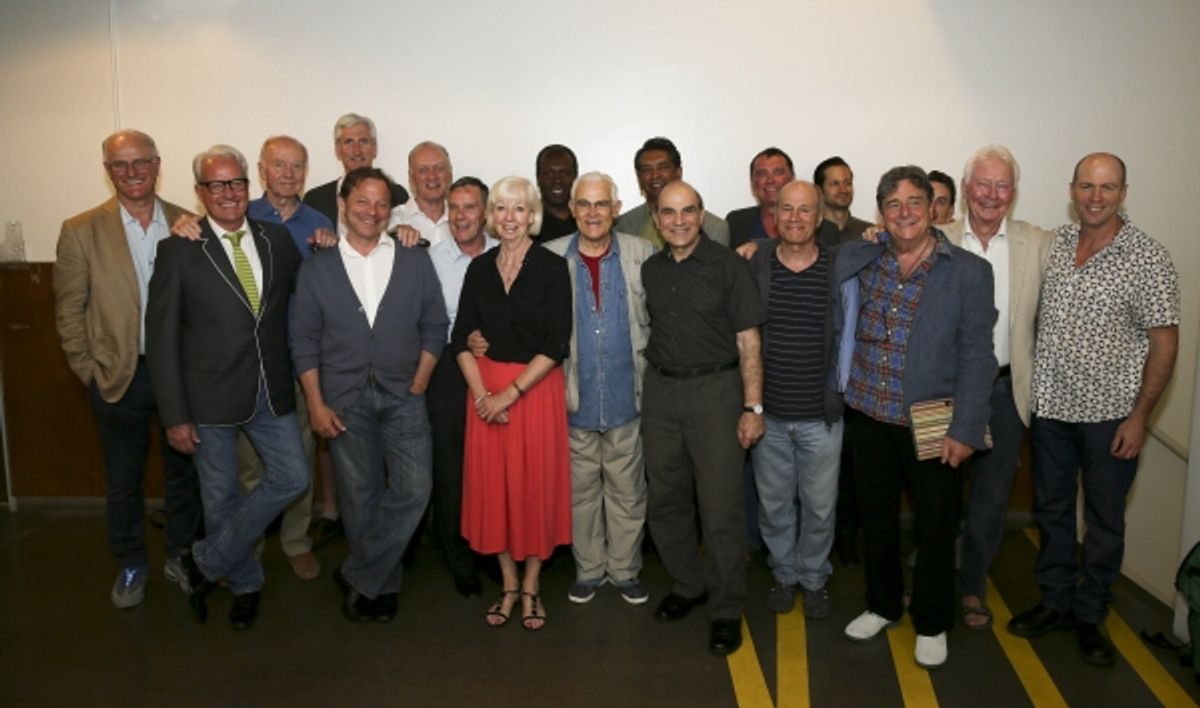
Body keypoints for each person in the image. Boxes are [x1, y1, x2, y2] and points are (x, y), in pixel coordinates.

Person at [1008, 153, 1179, 667]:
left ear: (1123, 191)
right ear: (1072, 189)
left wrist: (1140, 416)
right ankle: (1056, 602)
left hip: (1112, 416)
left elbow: (1164, 344)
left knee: (1104, 521)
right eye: (1087, 186)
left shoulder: (1148, 257)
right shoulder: (1054, 245)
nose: (1095, 197)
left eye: (1107, 187)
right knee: (1053, 511)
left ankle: (1090, 614)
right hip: (1052, 408)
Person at [837, 166, 996, 670]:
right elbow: (800, 257)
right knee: (877, 519)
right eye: (893, 204)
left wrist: (966, 428)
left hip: (934, 420)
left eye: (914, 202)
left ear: (933, 209)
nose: (904, 213)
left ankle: (931, 620)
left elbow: (978, 356)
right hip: (867, 413)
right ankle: (883, 604)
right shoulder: (860, 256)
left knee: (935, 525)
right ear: (880, 213)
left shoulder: (968, 271)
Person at [147, 144, 309, 630]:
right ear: (199, 192)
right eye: (216, 185)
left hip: (270, 388)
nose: (229, 193)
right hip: (209, 398)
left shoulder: (277, 240)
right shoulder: (179, 248)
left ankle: (203, 561)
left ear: (248, 185)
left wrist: (324, 243)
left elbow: (306, 295)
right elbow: (162, 339)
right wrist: (175, 415)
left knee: (293, 478)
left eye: (236, 182)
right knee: (219, 500)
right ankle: (244, 584)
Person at [291, 167, 447, 623]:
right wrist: (316, 404)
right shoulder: (317, 265)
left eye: (381, 203)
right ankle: (381, 583)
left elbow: (435, 326)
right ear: (343, 204)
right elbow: (303, 341)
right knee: (359, 497)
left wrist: (420, 381)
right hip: (344, 400)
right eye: (362, 201)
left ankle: (360, 573)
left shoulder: (413, 258)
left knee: (416, 489)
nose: (372, 211)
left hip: (405, 393)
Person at [53, 129, 201, 608]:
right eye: (121, 165)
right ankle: (131, 562)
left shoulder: (188, 221)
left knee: (186, 474)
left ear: (158, 165)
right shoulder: (81, 230)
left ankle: (180, 554)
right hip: (119, 376)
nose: (133, 172)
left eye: (141, 162)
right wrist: (88, 371)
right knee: (123, 479)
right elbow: (68, 310)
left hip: (179, 375)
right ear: (108, 170)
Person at [641, 180, 766, 657]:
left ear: (701, 214)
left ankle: (727, 608)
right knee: (666, 499)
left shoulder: (728, 266)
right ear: (657, 219)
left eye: (687, 211)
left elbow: (748, 339)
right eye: (668, 213)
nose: (678, 221)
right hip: (660, 391)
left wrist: (752, 407)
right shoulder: (651, 269)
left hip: (715, 392)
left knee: (720, 507)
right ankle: (688, 584)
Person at [451, 176, 572, 631]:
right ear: (491, 215)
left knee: (532, 490)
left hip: (533, 392)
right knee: (496, 493)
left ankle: (532, 585)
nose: (509, 218)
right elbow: (460, 337)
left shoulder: (551, 268)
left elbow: (556, 342)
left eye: (519, 209)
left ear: (532, 216)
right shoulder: (479, 268)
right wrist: (483, 396)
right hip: (484, 395)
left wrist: (509, 394)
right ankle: (507, 582)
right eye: (501, 208)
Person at [942, 146, 1053, 630]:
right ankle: (932, 579)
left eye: (1002, 185)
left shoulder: (1039, 243)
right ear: (965, 190)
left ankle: (971, 588)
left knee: (990, 498)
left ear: (1014, 192)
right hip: (942, 392)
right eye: (982, 184)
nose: (991, 195)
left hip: (1007, 392)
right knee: (937, 492)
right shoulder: (934, 236)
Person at [544, 172, 654, 606]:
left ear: (616, 208)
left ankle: (625, 570)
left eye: (601, 204)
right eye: (584, 204)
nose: (593, 213)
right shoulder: (551, 258)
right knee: (582, 494)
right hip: (575, 398)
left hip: (628, 397)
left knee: (628, 491)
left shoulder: (641, 253)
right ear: (573, 209)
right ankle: (589, 570)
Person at [746, 180, 843, 619]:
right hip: (770, 414)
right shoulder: (757, 262)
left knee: (820, 507)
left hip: (822, 416)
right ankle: (785, 574)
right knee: (774, 505)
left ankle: (814, 578)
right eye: (788, 209)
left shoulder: (841, 265)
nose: (796, 218)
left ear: (820, 217)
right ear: (774, 213)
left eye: (806, 210)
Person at [426, 176, 498, 598]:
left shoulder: (504, 254)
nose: (460, 216)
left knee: (490, 466)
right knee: (452, 466)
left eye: (470, 207)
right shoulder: (431, 261)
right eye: (454, 208)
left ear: (485, 212)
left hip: (499, 371)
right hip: (450, 373)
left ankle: (489, 549)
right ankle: (458, 557)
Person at [615, 137, 730, 248]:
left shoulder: (714, 228)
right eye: (647, 170)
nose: (655, 175)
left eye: (663, 168)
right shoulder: (622, 225)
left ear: (679, 172)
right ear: (639, 178)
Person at [303, 113, 409, 231]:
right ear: (338, 150)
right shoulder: (315, 200)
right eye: (349, 142)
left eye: (363, 142)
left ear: (374, 149)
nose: (357, 151)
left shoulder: (397, 195)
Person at [726, 147, 795, 249]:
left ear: (792, 178)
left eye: (778, 172)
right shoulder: (736, 222)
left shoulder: (815, 223)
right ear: (752, 182)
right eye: (761, 174)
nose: (770, 180)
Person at [390, 140, 452, 246]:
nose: (432, 176)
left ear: (450, 174)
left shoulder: (464, 220)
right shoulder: (392, 221)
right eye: (423, 170)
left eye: (439, 168)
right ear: (411, 178)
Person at [814, 156, 873, 245]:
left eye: (847, 183)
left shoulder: (869, 234)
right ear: (819, 190)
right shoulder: (810, 233)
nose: (843, 190)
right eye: (835, 184)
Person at [535, 144, 580, 241]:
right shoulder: (527, 225)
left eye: (564, 173)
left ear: (575, 177)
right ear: (538, 179)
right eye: (549, 174)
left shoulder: (589, 222)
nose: (557, 180)